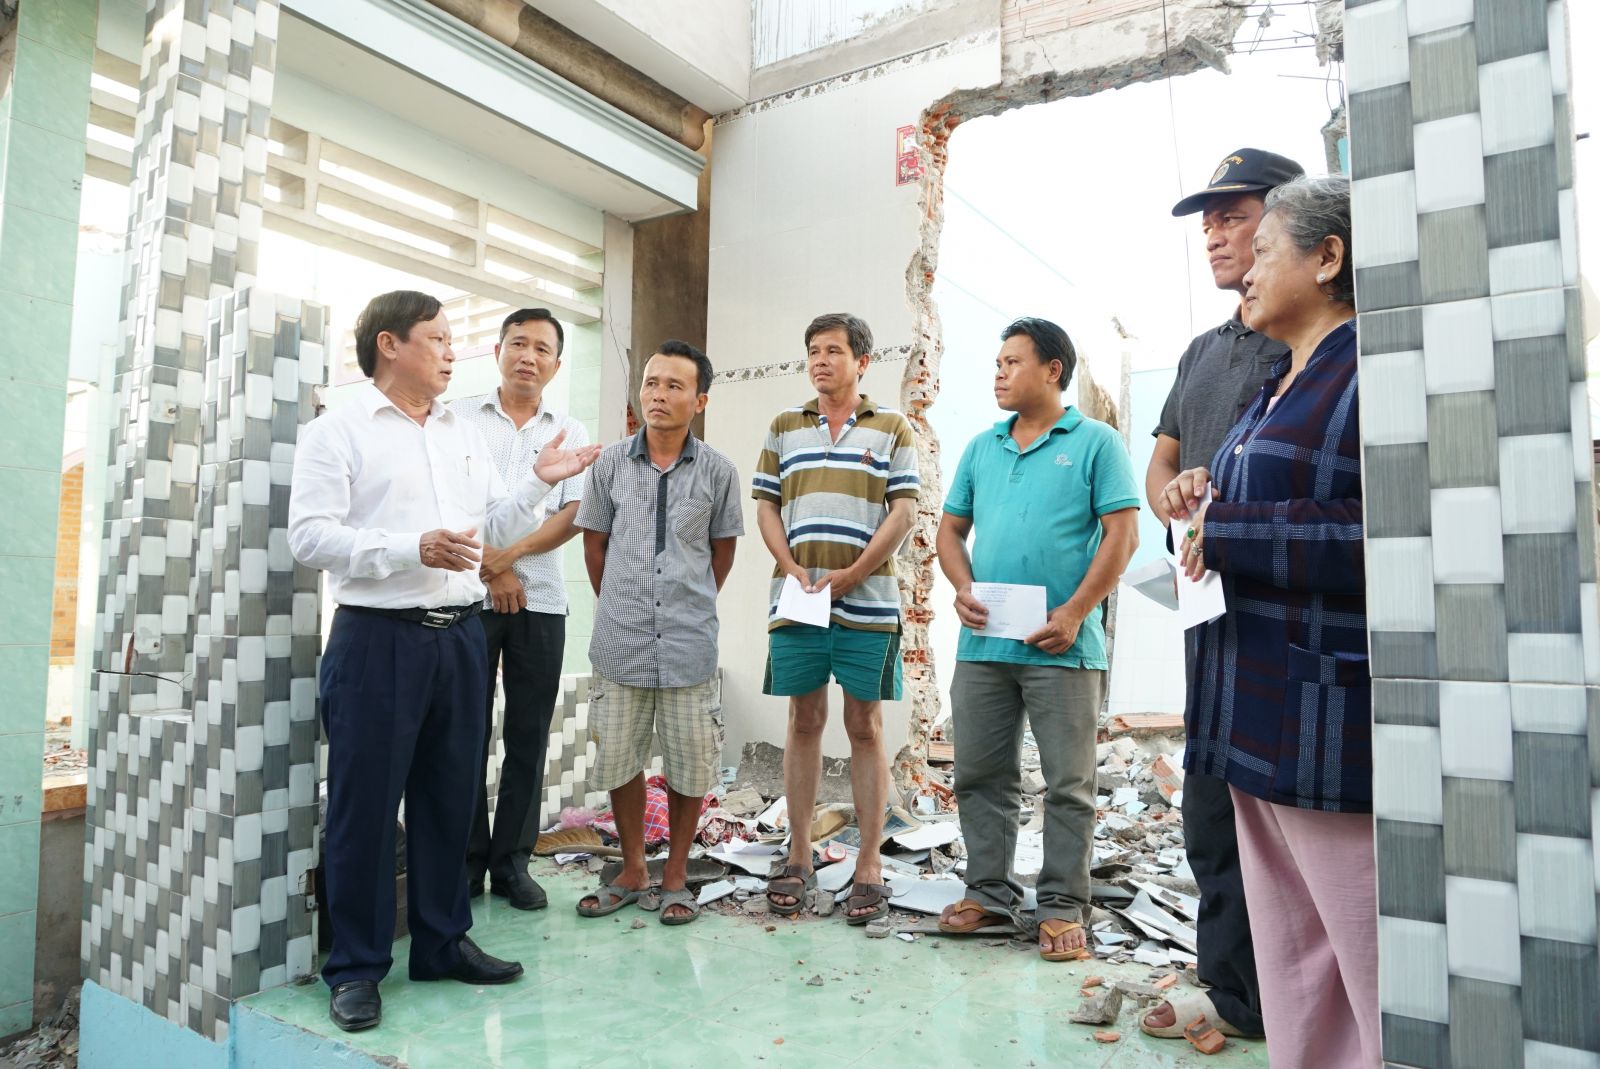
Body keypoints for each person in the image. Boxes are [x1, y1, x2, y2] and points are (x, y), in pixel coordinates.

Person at [289, 290, 600, 1032]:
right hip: (376, 638)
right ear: (390, 344)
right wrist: (408, 547)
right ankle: (358, 967)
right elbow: (309, 536)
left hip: (460, 632)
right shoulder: (340, 431)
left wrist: (539, 480)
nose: (451, 349)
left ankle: (441, 941)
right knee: (364, 805)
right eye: (438, 337)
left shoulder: (457, 430)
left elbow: (489, 518)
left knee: (449, 796)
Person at [1161, 175, 1374, 1068]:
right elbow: (1243, 505)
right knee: (1291, 955)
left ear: (1328, 259)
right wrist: (1200, 489)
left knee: (1360, 952)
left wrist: (1231, 526)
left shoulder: (1368, 371)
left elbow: (1386, 532)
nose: (1243, 270)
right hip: (1251, 709)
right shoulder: (1275, 384)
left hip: (1318, 716)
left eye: (1264, 252)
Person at [1141, 147, 1302, 1042]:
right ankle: (1237, 996)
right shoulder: (1204, 350)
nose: (1213, 232)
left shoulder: (1309, 342)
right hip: (1208, 612)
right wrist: (1169, 489)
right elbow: (1166, 450)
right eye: (1208, 219)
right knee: (1210, 808)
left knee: (1283, 817)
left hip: (1284, 609)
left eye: (1231, 214)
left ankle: (1296, 998)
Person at [935, 318, 1139, 961]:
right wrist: (962, 587)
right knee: (979, 774)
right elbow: (949, 532)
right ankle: (990, 895)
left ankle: (1060, 906)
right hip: (986, 646)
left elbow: (1122, 536)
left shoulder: (1096, 443)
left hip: (1063, 646)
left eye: (1011, 361)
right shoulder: (981, 447)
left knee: (1069, 783)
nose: (997, 372)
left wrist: (1079, 611)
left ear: (1053, 370)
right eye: (995, 362)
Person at [754, 313, 919, 925]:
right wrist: (790, 565)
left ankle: (869, 864)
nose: (820, 361)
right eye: (813, 351)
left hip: (867, 602)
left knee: (865, 725)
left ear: (862, 362)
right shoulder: (783, 428)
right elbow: (768, 508)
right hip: (798, 600)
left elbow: (902, 513)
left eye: (833, 351)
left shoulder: (892, 428)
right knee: (803, 719)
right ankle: (798, 853)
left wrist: (853, 573)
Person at [573, 340, 742, 925]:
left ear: (699, 400)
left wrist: (684, 606)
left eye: (673, 386)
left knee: (691, 764)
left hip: (690, 644)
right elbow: (594, 545)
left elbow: (721, 554)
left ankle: (675, 874)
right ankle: (632, 867)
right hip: (619, 644)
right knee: (620, 758)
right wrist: (623, 604)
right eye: (651, 383)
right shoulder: (610, 465)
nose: (658, 395)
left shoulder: (719, 471)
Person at [452, 308, 589, 911]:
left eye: (541, 348)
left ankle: (512, 863)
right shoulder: (455, 419)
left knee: (528, 733)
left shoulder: (571, 429)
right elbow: (446, 500)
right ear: (498, 351)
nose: (528, 356)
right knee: (463, 732)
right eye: (518, 344)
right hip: (464, 597)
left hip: (543, 600)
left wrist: (511, 558)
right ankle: (464, 861)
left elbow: (573, 513)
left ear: (557, 365)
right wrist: (494, 566)